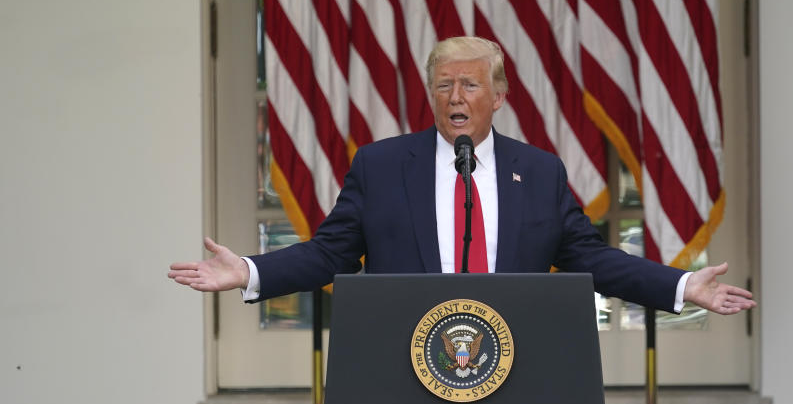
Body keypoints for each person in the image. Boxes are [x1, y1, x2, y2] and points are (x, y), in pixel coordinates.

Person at [169, 36, 755, 317]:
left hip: (514, 358)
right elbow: (330, 255)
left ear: (498, 96)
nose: (456, 97)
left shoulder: (540, 172)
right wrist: (248, 270)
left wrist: (682, 285)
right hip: (406, 357)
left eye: (470, 84)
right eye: (443, 85)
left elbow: (590, 259)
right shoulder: (381, 165)